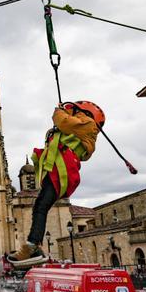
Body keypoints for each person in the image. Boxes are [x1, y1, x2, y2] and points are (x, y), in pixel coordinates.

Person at [10, 101, 104, 266]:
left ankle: (32, 247)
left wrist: (59, 110)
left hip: (62, 172)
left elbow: (62, 121)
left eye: (75, 110)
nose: (71, 111)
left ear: (85, 112)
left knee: (40, 206)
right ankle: (34, 245)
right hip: (59, 170)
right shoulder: (83, 130)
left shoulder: (88, 125)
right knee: (40, 205)